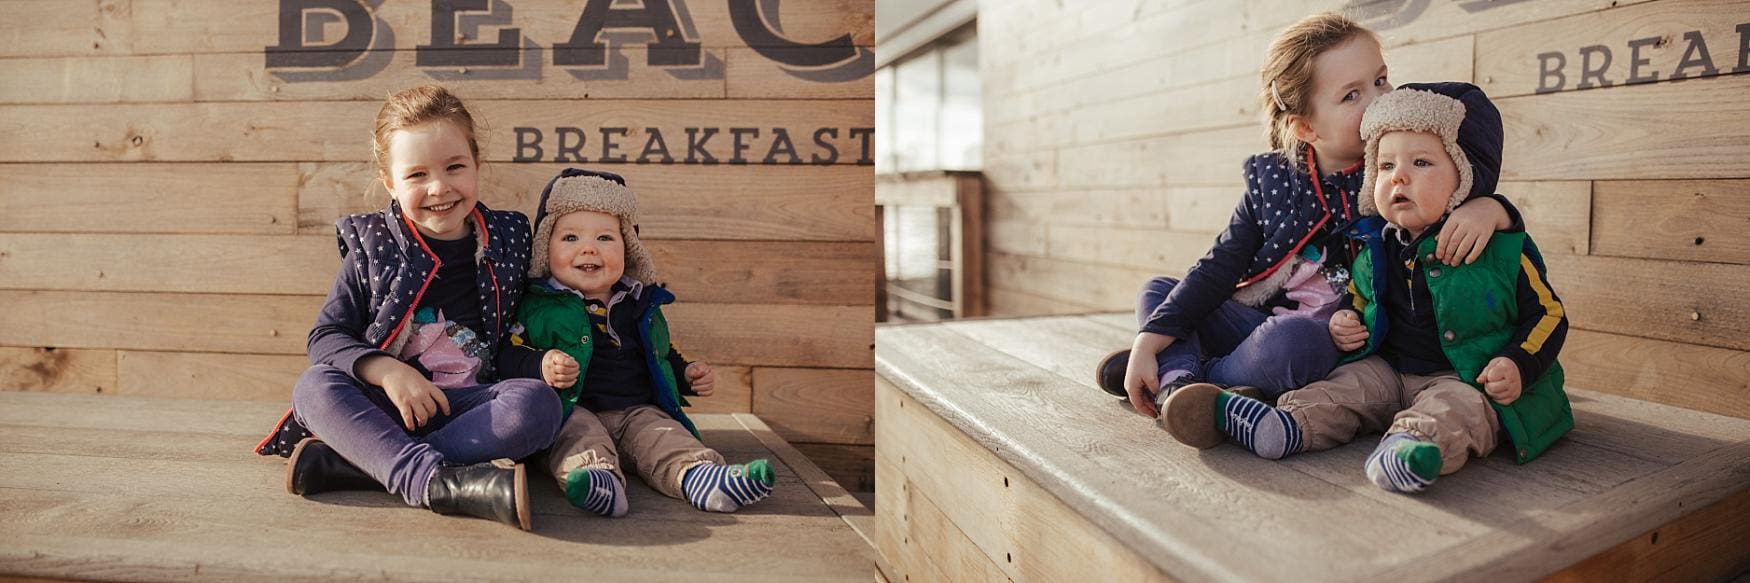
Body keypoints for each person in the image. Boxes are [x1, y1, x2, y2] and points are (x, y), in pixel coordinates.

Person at [1093, 12, 1522, 421]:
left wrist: (1493, 206)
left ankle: (1193, 379)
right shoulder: (1275, 181)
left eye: (1380, 79)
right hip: (1254, 323)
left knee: (1290, 343)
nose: (1379, 101)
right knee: (1160, 291)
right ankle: (1176, 377)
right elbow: (1219, 267)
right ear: (1305, 128)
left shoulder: (1397, 171)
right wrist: (1150, 337)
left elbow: (1462, 151)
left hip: (1328, 342)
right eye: (1352, 95)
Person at [1160, 83, 1573, 494]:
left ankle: (1410, 449)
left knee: (1460, 410)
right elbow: (1360, 296)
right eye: (1387, 166)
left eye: (1422, 163)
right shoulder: (1377, 245)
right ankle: (1284, 425)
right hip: (1388, 370)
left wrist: (1519, 363)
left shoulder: (1498, 249)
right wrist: (1348, 318)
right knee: (1345, 387)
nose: (1400, 177)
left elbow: (1548, 314)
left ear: (1465, 178)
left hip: (1464, 377)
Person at [256, 85, 561, 530]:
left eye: (455, 166)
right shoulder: (373, 246)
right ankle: (437, 483)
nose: (439, 187)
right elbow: (325, 337)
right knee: (313, 387)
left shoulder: (510, 240)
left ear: (477, 164)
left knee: (538, 404)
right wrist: (389, 372)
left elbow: (531, 319)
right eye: (416, 175)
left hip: (469, 411)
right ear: (389, 183)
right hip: (382, 407)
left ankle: (365, 467)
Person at [508, 168, 776, 516]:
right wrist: (540, 365)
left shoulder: (640, 303)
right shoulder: (538, 304)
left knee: (661, 433)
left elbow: (659, 353)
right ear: (546, 248)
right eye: (570, 238)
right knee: (577, 437)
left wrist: (685, 374)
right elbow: (508, 355)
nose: (588, 248)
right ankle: (597, 481)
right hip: (572, 408)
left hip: (636, 409)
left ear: (628, 250)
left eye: (605, 238)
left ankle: (702, 477)